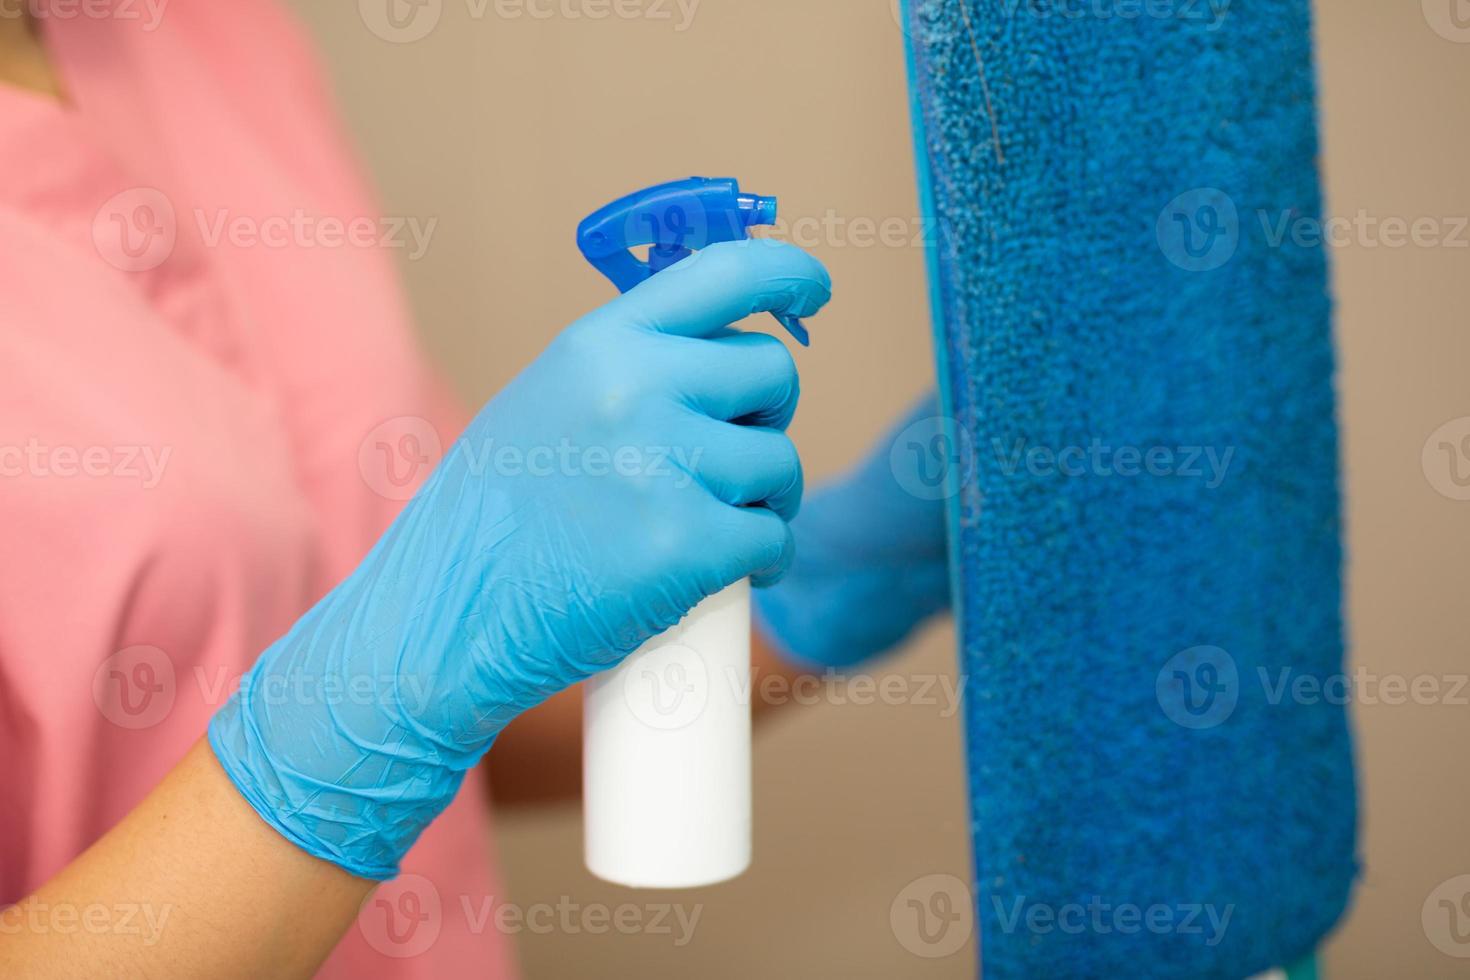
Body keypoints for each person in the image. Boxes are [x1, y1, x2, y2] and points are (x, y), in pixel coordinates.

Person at [0, 4, 949, 976]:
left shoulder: (213, 34)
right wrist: (355, 720)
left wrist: (835, 576)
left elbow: (463, 711)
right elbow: (398, 688)